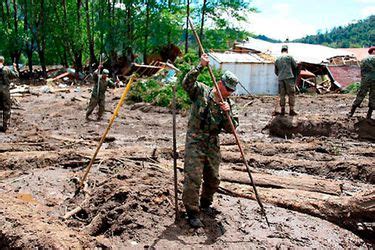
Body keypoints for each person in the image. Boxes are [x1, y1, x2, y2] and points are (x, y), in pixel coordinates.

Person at [181, 53, 239, 228]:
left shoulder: (229, 104)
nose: (229, 93)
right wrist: (200, 66)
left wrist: (227, 113)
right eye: (228, 89)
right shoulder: (201, 91)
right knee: (193, 177)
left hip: (212, 143)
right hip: (195, 139)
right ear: (220, 84)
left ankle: (205, 204)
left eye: (232, 91)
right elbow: (186, 84)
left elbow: (232, 129)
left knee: (213, 178)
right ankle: (192, 212)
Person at [347, 46, 375, 119]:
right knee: (373, 97)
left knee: (361, 94)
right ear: (373, 51)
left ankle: (351, 113)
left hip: (365, 80)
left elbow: (362, 72)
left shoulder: (364, 59)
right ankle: (368, 116)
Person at [274, 45, 299, 116]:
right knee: (291, 94)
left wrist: (280, 75)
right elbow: (295, 66)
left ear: (281, 50)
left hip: (281, 79)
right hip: (289, 78)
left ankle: (282, 110)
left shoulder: (277, 59)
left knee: (282, 94)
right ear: (287, 50)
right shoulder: (289, 57)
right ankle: (291, 110)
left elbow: (276, 71)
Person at [0, 56, 19, 132]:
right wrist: (14, 68)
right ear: (3, 61)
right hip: (4, 91)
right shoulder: (6, 69)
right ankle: (5, 126)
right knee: (6, 108)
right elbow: (16, 75)